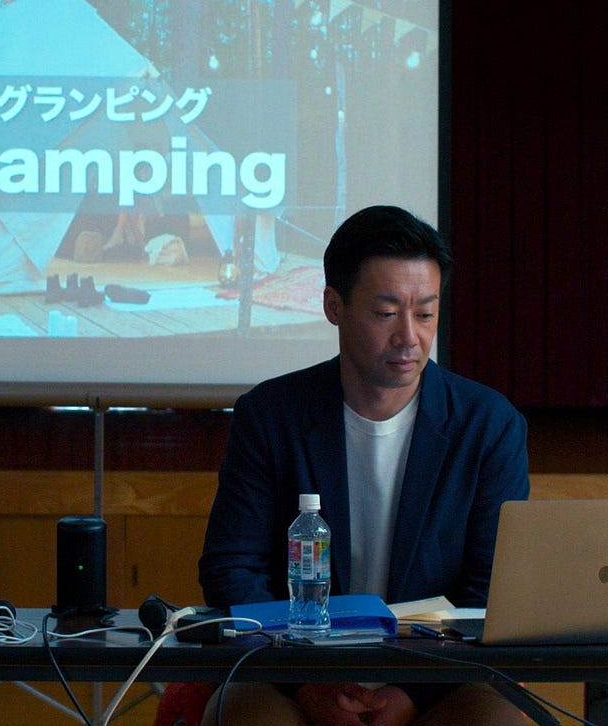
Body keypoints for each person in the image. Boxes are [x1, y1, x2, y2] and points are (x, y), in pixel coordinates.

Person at [198, 206, 530, 726]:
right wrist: (308, 684)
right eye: (385, 313)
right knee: (241, 717)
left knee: (499, 721)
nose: (409, 338)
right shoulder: (271, 416)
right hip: (294, 672)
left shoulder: (488, 425)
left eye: (425, 313)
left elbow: (493, 591)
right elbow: (231, 570)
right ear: (334, 305)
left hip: (439, 677)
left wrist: (412, 694)